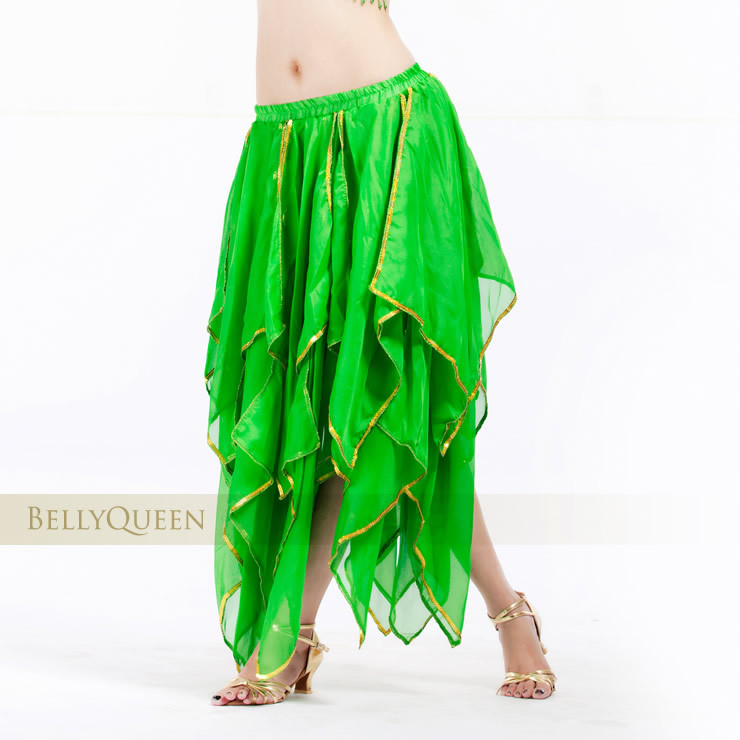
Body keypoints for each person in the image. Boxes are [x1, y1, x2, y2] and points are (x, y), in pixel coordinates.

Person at [204, 0, 557, 705]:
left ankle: (292, 637)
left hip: (385, 137)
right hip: (287, 150)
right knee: (346, 414)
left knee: (364, 403)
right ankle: (509, 611)